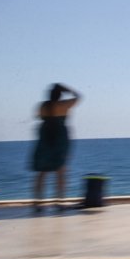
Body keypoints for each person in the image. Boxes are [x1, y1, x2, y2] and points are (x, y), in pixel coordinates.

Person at [30, 83, 82, 212]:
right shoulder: (64, 105)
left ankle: (38, 203)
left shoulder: (42, 106)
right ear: (60, 95)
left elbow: (37, 116)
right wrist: (69, 89)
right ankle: (60, 201)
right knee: (60, 171)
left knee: (41, 172)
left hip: (45, 136)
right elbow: (79, 97)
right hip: (59, 137)